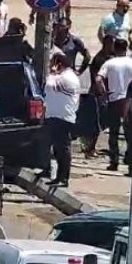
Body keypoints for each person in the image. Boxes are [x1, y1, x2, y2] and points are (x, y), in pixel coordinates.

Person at [96, 38, 132, 171]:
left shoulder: (109, 63)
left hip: (114, 99)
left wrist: (104, 93)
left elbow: (98, 79)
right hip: (131, 101)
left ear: (114, 48)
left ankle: (114, 161)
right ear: (126, 48)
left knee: (113, 133)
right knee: (131, 133)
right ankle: (131, 162)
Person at [44, 51, 80, 187]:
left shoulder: (67, 78)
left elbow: (48, 85)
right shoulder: (63, 76)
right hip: (57, 116)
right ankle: (59, 176)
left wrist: (52, 72)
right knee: (58, 149)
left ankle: (63, 178)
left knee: (62, 149)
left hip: (62, 118)